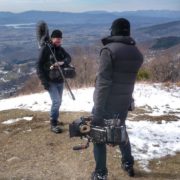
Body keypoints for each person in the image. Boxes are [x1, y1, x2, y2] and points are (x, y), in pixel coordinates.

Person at [91, 18, 143, 179]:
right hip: (124, 101)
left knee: (98, 135)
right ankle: (128, 163)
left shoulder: (109, 50)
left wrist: (98, 111)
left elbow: (103, 83)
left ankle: (100, 173)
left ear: (113, 30)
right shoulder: (137, 53)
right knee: (121, 130)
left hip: (107, 102)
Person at [37, 29, 71, 133]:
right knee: (56, 101)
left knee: (59, 101)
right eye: (57, 38)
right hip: (50, 81)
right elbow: (38, 66)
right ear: (52, 38)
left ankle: (55, 119)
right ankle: (53, 124)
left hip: (60, 80)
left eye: (60, 39)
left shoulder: (60, 49)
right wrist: (44, 82)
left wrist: (62, 62)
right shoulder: (46, 49)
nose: (59, 40)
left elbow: (69, 58)